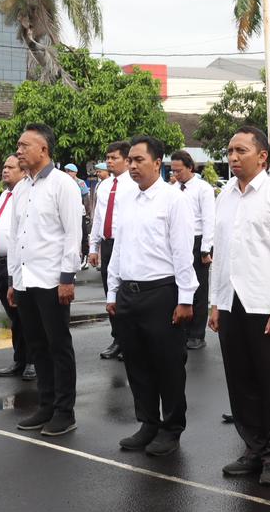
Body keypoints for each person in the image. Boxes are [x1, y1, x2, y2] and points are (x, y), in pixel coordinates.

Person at [209, 126, 270, 486]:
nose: (232, 157)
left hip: (264, 302)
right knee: (241, 381)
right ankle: (254, 447)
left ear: (262, 156)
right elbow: (220, 254)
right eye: (230, 151)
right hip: (231, 302)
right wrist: (216, 302)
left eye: (241, 151)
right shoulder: (225, 195)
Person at [106, 135, 198, 457]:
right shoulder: (127, 199)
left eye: (138, 160)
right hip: (129, 294)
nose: (132, 166)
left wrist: (185, 299)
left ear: (157, 163)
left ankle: (171, 428)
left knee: (168, 365)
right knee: (137, 364)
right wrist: (112, 290)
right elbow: (119, 248)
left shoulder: (173, 200)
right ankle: (148, 423)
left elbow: (182, 251)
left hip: (161, 292)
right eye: (129, 160)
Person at [8, 123, 84, 436]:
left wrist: (67, 278)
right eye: (18, 146)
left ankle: (65, 411)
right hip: (26, 279)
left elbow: (72, 234)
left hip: (52, 279)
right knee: (37, 346)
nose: (19, 151)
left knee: (58, 346)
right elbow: (16, 237)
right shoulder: (21, 188)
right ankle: (46, 404)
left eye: (25, 145)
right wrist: (13, 280)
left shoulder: (62, 185)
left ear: (44, 149)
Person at [0, 155, 33, 380]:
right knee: (15, 317)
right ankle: (20, 359)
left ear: (24, 172)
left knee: (27, 315)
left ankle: (33, 361)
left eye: (10, 167)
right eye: (4, 166)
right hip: (1, 263)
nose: (5, 170)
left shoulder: (26, 195)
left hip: (19, 263)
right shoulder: (5, 194)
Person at [170, 150, 215, 351]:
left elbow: (209, 220)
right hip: (178, 241)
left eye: (179, 170)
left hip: (197, 242)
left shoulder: (203, 189)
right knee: (179, 286)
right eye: (173, 171)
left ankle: (197, 334)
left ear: (190, 167)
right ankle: (182, 331)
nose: (175, 174)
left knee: (198, 289)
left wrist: (206, 249)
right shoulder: (172, 189)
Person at [90, 140, 131, 360]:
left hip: (126, 243)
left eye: (114, 158)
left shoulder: (134, 184)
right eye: (107, 158)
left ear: (127, 160)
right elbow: (98, 217)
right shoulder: (104, 186)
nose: (109, 161)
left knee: (126, 292)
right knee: (111, 292)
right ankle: (118, 338)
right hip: (107, 244)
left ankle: (130, 341)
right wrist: (93, 247)